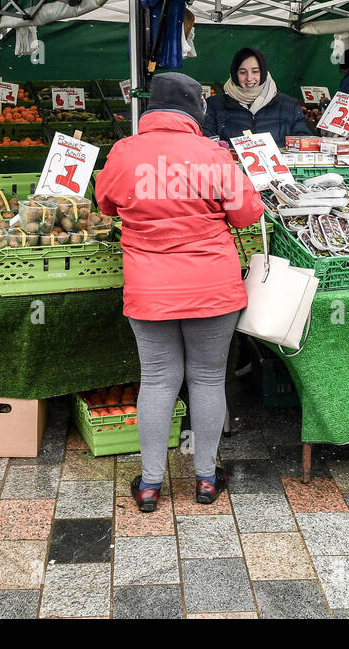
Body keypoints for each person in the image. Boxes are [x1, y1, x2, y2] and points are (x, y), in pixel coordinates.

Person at [95, 72, 263, 513]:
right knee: (207, 378)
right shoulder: (214, 155)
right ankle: (206, 479)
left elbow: (105, 203)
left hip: (150, 289)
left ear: (152, 109)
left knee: (156, 379)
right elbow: (247, 215)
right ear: (193, 110)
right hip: (212, 286)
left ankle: (150, 485)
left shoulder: (125, 153)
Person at [203, 47, 309, 145]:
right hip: (231, 165)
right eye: (243, 72)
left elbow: (303, 143)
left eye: (255, 71)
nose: (249, 78)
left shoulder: (289, 106)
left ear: (263, 72)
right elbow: (204, 142)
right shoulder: (215, 105)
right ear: (235, 74)